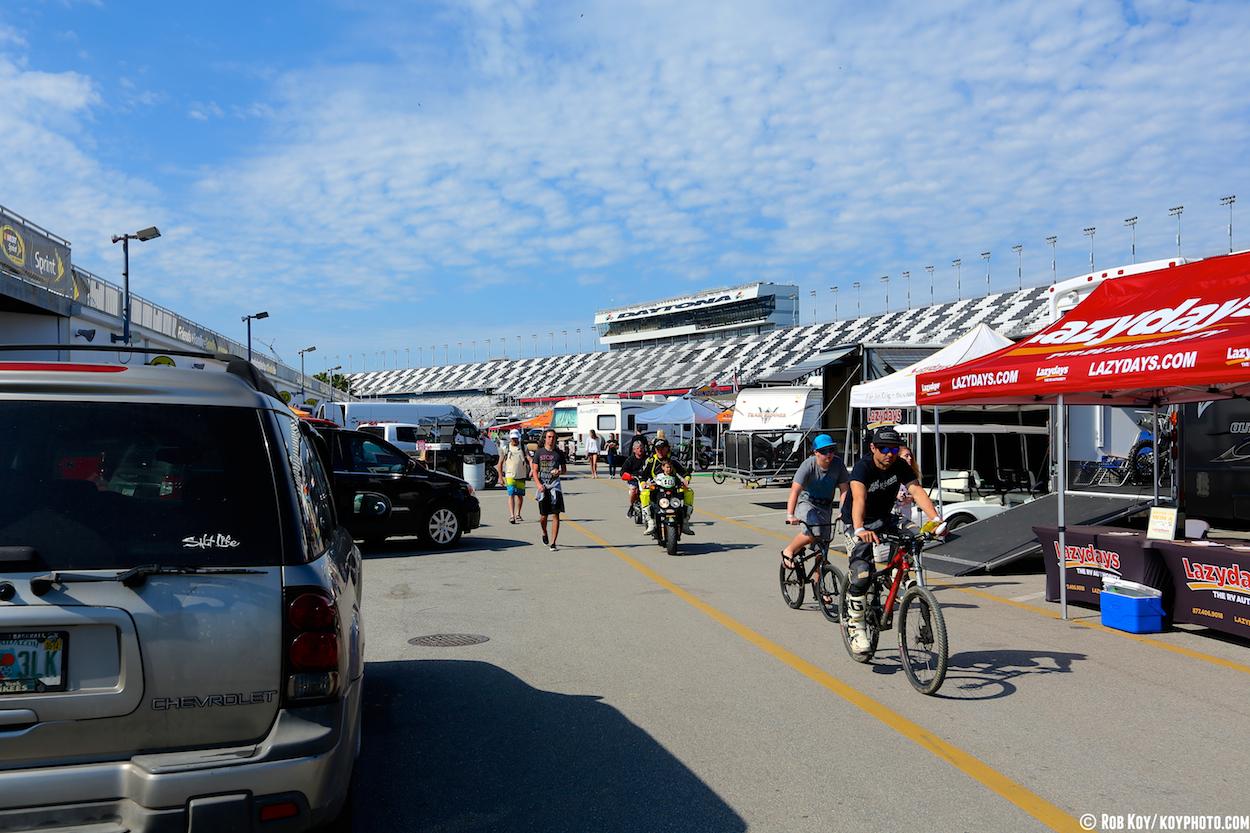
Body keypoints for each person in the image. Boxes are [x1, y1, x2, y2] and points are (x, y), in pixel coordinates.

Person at [841, 426, 944, 654]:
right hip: (858, 522)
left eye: (894, 449)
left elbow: (916, 491)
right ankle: (856, 626)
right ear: (872, 448)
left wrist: (936, 519)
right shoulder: (863, 467)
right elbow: (858, 498)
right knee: (861, 573)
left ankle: (903, 575)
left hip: (885, 518)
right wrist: (859, 529)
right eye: (883, 448)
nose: (889, 453)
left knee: (915, 533)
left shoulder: (899, 465)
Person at [782, 434, 850, 600]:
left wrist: (844, 510)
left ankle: (819, 587)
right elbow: (795, 491)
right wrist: (790, 514)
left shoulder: (838, 464)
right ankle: (789, 550)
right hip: (808, 503)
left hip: (826, 506)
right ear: (815, 452)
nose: (829, 454)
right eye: (824, 451)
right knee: (813, 532)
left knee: (822, 550)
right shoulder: (808, 465)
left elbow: (844, 490)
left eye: (831, 450)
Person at [639, 438, 695, 535]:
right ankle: (650, 521)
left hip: (673, 488)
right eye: (657, 448)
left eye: (662, 448)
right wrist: (644, 483)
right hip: (656, 488)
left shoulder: (673, 460)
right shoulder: (651, 461)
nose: (660, 450)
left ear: (667, 448)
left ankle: (685, 521)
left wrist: (686, 480)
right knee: (644, 494)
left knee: (689, 492)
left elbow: (685, 473)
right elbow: (642, 476)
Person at [530, 428, 568, 551]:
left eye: (553, 437)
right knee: (543, 517)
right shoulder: (539, 453)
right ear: (545, 438)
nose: (551, 439)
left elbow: (564, 470)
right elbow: (535, 471)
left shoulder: (559, 453)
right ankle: (544, 532)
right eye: (549, 437)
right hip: (543, 486)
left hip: (555, 486)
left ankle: (553, 543)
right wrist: (538, 485)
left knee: (556, 514)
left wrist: (559, 471)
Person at [497, 429, 530, 524]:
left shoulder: (523, 447)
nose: (514, 440)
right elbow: (500, 463)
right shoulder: (505, 448)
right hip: (509, 475)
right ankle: (512, 515)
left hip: (521, 475)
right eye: (513, 438)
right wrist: (500, 477)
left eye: (516, 438)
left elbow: (529, 458)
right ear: (510, 438)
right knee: (511, 494)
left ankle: (518, 513)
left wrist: (532, 468)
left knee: (520, 495)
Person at [620, 439, 649, 519]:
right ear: (634, 450)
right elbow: (622, 472)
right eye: (638, 448)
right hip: (634, 480)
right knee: (633, 490)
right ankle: (632, 506)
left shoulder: (648, 459)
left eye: (642, 447)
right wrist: (629, 476)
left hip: (645, 480)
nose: (640, 449)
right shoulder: (630, 460)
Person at [895, 446, 921, 524]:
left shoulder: (912, 476)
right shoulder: (891, 475)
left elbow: (918, 494)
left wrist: (911, 498)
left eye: (910, 456)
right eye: (906, 456)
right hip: (892, 516)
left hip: (906, 515)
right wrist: (896, 496)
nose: (910, 458)